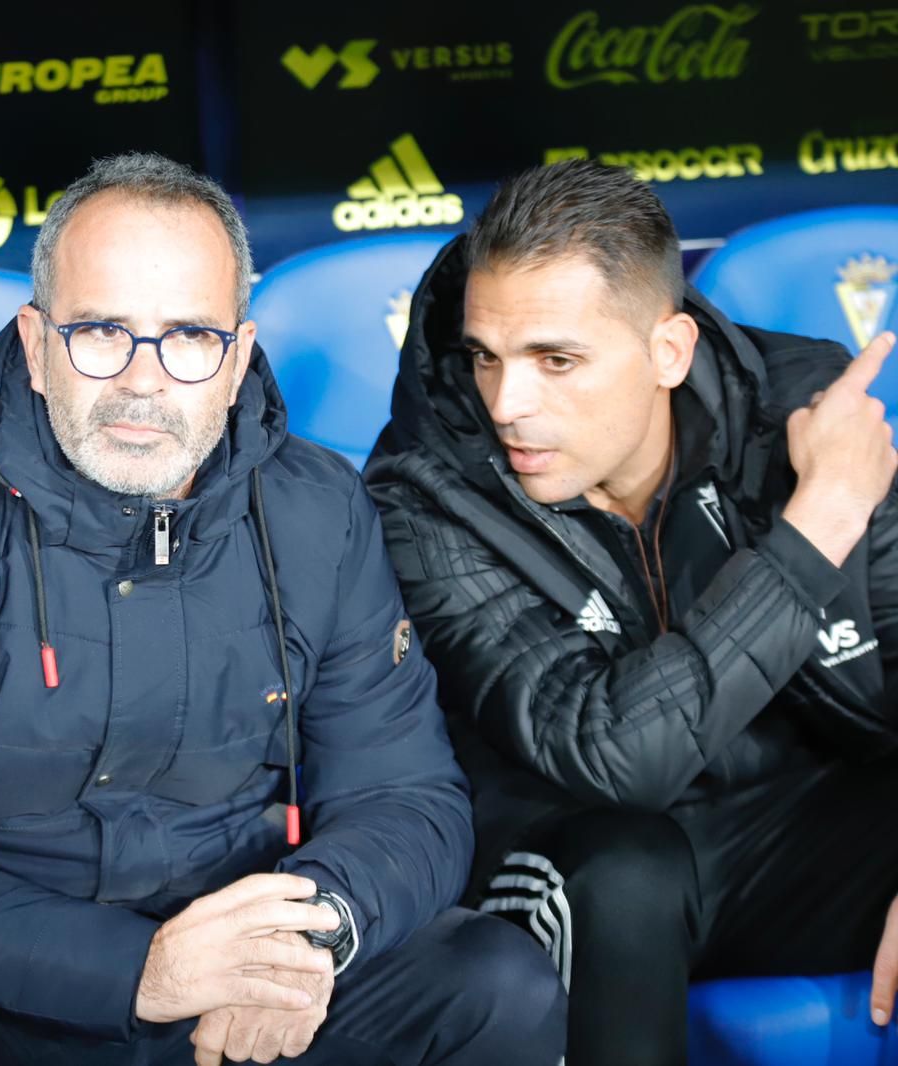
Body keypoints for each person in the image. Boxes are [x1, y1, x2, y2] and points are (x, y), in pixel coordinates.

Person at [0, 152, 565, 1065]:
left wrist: (299, 945)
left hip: (260, 982)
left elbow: (408, 796)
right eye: (103, 332)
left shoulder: (323, 511)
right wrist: (139, 972)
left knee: (494, 981)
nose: (144, 381)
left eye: (189, 337)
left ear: (237, 360)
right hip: (23, 989)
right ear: (36, 348)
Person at [364, 157, 898, 1065]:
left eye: (556, 360)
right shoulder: (427, 490)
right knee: (626, 875)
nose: (507, 404)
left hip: (799, 826)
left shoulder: (802, 409)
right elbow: (609, 757)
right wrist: (817, 529)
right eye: (485, 356)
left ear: (669, 353)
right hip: (580, 854)